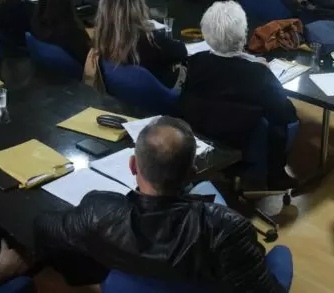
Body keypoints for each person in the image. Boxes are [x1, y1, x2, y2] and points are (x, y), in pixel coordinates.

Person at [34, 116, 293, 292]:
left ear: (133, 165)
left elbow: (44, 226)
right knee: (281, 254)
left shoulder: (98, 212)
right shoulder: (227, 229)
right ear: (192, 171)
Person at [180, 1, 298, 189]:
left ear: (206, 34)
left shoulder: (194, 63)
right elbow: (283, 113)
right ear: (243, 35)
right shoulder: (259, 73)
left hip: (204, 136)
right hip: (244, 140)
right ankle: (276, 174)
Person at [93, 0, 187, 87]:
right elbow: (181, 51)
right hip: (162, 94)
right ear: (137, 6)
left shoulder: (102, 41)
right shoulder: (150, 40)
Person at [31, 0, 91, 65]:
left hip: (50, 72)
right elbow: (91, 63)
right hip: (78, 71)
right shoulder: (73, 33)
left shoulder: (36, 23)